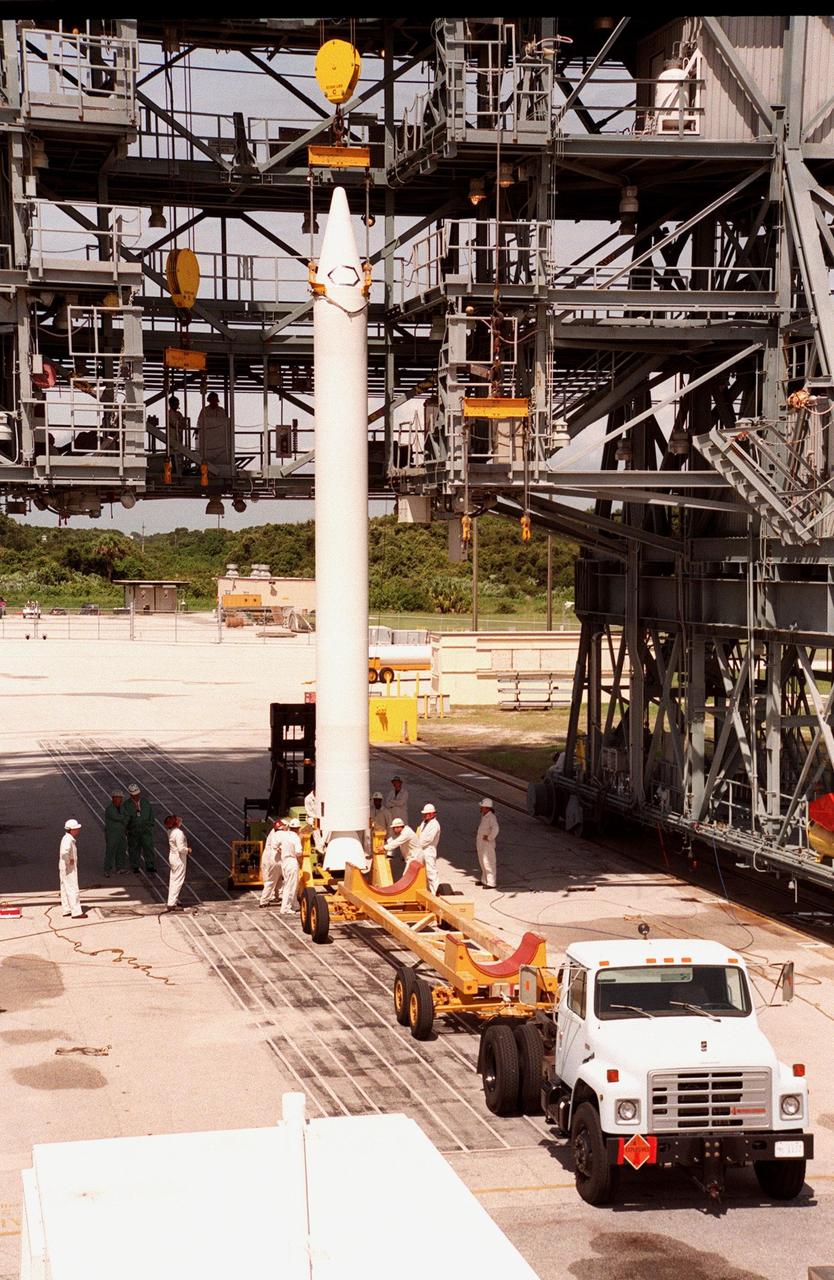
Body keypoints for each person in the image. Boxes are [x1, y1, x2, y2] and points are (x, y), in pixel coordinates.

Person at [196, 390, 232, 470]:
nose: (214, 402)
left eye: (215, 400)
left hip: (220, 441)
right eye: (212, 400)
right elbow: (200, 423)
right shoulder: (205, 411)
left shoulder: (221, 411)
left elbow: (225, 423)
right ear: (209, 400)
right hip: (208, 442)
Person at [126, 782, 156, 874]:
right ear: (130, 795)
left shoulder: (145, 802)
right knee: (134, 849)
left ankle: (150, 865)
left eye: (138, 794)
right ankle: (135, 866)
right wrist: (127, 829)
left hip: (146, 830)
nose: (136, 796)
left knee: (148, 847)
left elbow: (151, 814)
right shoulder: (126, 805)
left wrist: (150, 825)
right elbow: (125, 818)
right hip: (133, 831)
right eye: (134, 795)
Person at [164, 814, 191, 911]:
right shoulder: (178, 833)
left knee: (173, 880)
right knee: (178, 881)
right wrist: (188, 850)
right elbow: (181, 848)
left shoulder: (170, 831)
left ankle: (174, 900)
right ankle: (171, 904)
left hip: (173, 857)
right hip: (179, 858)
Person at [59, 819, 85, 918]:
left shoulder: (67, 838)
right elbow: (64, 852)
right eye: (76, 828)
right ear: (71, 830)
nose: (78, 830)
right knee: (73, 888)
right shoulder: (68, 840)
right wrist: (69, 860)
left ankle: (67, 909)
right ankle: (76, 912)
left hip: (64, 868)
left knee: (65, 888)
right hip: (68, 868)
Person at [278, 818, 304, 915]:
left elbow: (279, 848)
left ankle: (295, 905)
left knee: (289, 884)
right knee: (291, 886)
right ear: (298, 828)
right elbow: (298, 852)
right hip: (291, 862)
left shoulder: (285, 835)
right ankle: (285, 908)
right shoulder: (295, 837)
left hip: (284, 861)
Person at [259, 817, 285, 908]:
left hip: (271, 858)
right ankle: (264, 900)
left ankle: (277, 896)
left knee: (277, 879)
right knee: (270, 880)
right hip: (273, 859)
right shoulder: (279, 834)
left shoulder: (274, 832)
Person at [416, 802, 441, 894]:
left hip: (429, 850)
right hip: (422, 850)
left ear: (432, 814)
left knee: (431, 871)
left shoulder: (434, 824)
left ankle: (435, 891)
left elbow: (429, 839)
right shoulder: (424, 822)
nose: (424, 815)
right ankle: (426, 890)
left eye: (426, 814)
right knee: (421, 871)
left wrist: (418, 844)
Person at [475, 797, 499, 888]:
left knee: (489, 862)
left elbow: (496, 829)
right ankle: (484, 880)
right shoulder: (485, 816)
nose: (480, 808)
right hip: (481, 843)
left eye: (482, 807)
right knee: (482, 861)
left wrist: (489, 837)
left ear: (487, 808)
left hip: (487, 844)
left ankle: (491, 882)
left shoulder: (491, 817)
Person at [103, 789, 128, 877]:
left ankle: (120, 868)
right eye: (118, 798)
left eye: (121, 798)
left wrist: (125, 818)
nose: (120, 800)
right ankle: (107, 869)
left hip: (121, 833)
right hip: (112, 834)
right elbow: (118, 817)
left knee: (121, 849)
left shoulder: (122, 807)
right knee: (110, 851)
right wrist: (124, 818)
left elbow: (126, 816)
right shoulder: (110, 809)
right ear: (113, 798)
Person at [166, 395, 189, 473]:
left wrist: (180, 424)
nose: (177, 405)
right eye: (175, 403)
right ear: (171, 404)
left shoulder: (179, 414)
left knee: (179, 453)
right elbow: (174, 423)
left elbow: (183, 424)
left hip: (179, 437)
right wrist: (179, 424)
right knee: (172, 453)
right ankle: (173, 470)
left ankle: (180, 469)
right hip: (172, 437)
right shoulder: (169, 413)